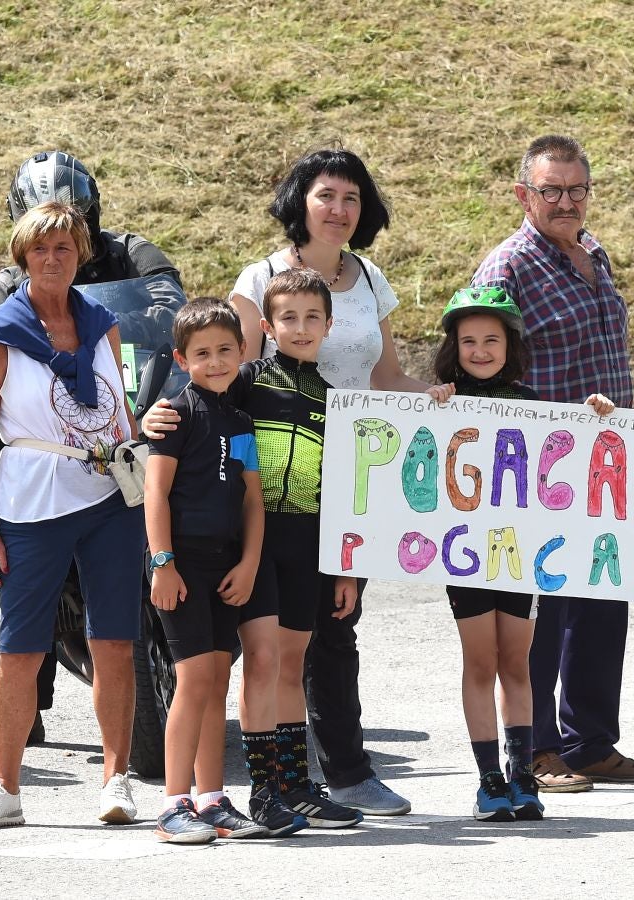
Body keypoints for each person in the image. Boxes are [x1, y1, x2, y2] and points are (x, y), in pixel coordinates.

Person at [223, 147, 429, 816]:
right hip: (270, 486)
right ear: (300, 202)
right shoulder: (260, 280)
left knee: (332, 626)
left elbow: (386, 378)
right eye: (326, 196)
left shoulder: (368, 279)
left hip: (348, 481)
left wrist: (449, 405)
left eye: (351, 198)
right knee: (260, 643)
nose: (339, 209)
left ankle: (339, 774)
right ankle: (264, 782)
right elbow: (229, 382)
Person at [471, 134, 634, 792]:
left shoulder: (594, 252)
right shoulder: (506, 268)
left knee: (601, 600)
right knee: (543, 609)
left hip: (606, 464)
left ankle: (590, 742)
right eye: (549, 190)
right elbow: (478, 363)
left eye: (575, 189)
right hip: (541, 467)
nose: (564, 201)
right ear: (522, 194)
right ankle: (535, 750)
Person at [0, 149, 184, 751]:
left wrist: (169, 329)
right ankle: (25, 702)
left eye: (72, 224)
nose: (55, 243)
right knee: (21, 562)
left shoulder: (131, 250)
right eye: (38, 225)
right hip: (42, 440)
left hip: (126, 412)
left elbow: (171, 302)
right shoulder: (9, 280)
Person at [0, 201, 144, 830]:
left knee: (115, 640)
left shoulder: (102, 324)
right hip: (31, 505)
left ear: (80, 253)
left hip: (107, 500)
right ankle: (4, 791)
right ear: (23, 257)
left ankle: (117, 780)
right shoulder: (0, 336)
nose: (53, 258)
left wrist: (146, 470)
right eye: (41, 249)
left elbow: (122, 414)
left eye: (65, 247)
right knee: (20, 649)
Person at [426, 287, 614, 820]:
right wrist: (433, 403)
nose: (480, 350)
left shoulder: (533, 404)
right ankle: (488, 779)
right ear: (453, 347)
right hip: (464, 555)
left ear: (510, 345)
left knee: (518, 662)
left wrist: (594, 414)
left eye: (491, 339)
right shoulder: (443, 399)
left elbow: (569, 453)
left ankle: (521, 773)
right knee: (480, 662)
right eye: (468, 341)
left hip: (520, 555)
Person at [229, 269, 365, 829]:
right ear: (266, 325)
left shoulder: (337, 402)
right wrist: (159, 417)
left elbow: (344, 492)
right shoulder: (244, 381)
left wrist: (344, 568)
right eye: (288, 317)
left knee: (292, 667)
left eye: (313, 317)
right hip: (253, 541)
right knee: (261, 663)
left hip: (308, 542)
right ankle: (263, 790)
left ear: (329, 325)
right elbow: (193, 408)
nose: (301, 327)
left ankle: (294, 785)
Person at [143, 298, 275, 843]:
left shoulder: (240, 421)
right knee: (193, 680)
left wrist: (248, 563)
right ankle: (173, 805)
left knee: (217, 680)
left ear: (243, 352)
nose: (216, 361)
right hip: (182, 566)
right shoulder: (174, 414)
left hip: (226, 566)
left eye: (226, 350)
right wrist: (162, 563)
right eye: (203, 354)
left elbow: (252, 502)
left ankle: (212, 799)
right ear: (182, 358)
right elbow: (156, 491)